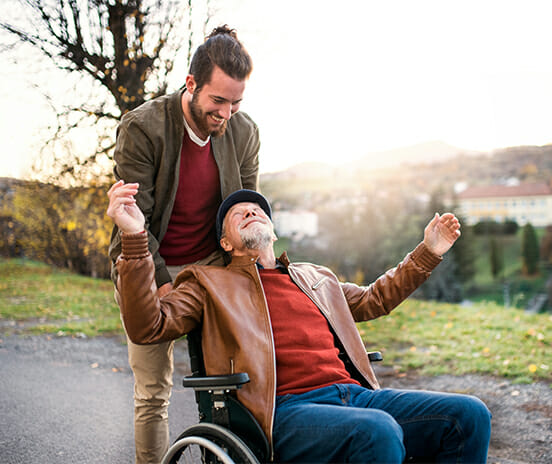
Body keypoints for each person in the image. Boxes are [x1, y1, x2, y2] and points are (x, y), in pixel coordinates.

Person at [108, 183, 492, 463]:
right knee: (377, 431)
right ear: (225, 243)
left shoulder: (315, 277)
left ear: (273, 231)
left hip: (354, 396)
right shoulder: (209, 283)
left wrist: (428, 253)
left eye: (257, 209)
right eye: (237, 213)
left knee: (469, 415)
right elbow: (148, 327)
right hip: (283, 410)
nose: (251, 211)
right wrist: (134, 238)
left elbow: (377, 298)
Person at [107, 25, 260, 463]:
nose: (226, 114)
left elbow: (246, 210)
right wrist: (160, 282)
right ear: (191, 84)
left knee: (230, 382)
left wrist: (255, 268)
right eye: (218, 101)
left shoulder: (244, 132)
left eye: (236, 103)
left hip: (211, 263)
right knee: (153, 389)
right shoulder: (143, 128)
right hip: (146, 261)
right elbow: (136, 224)